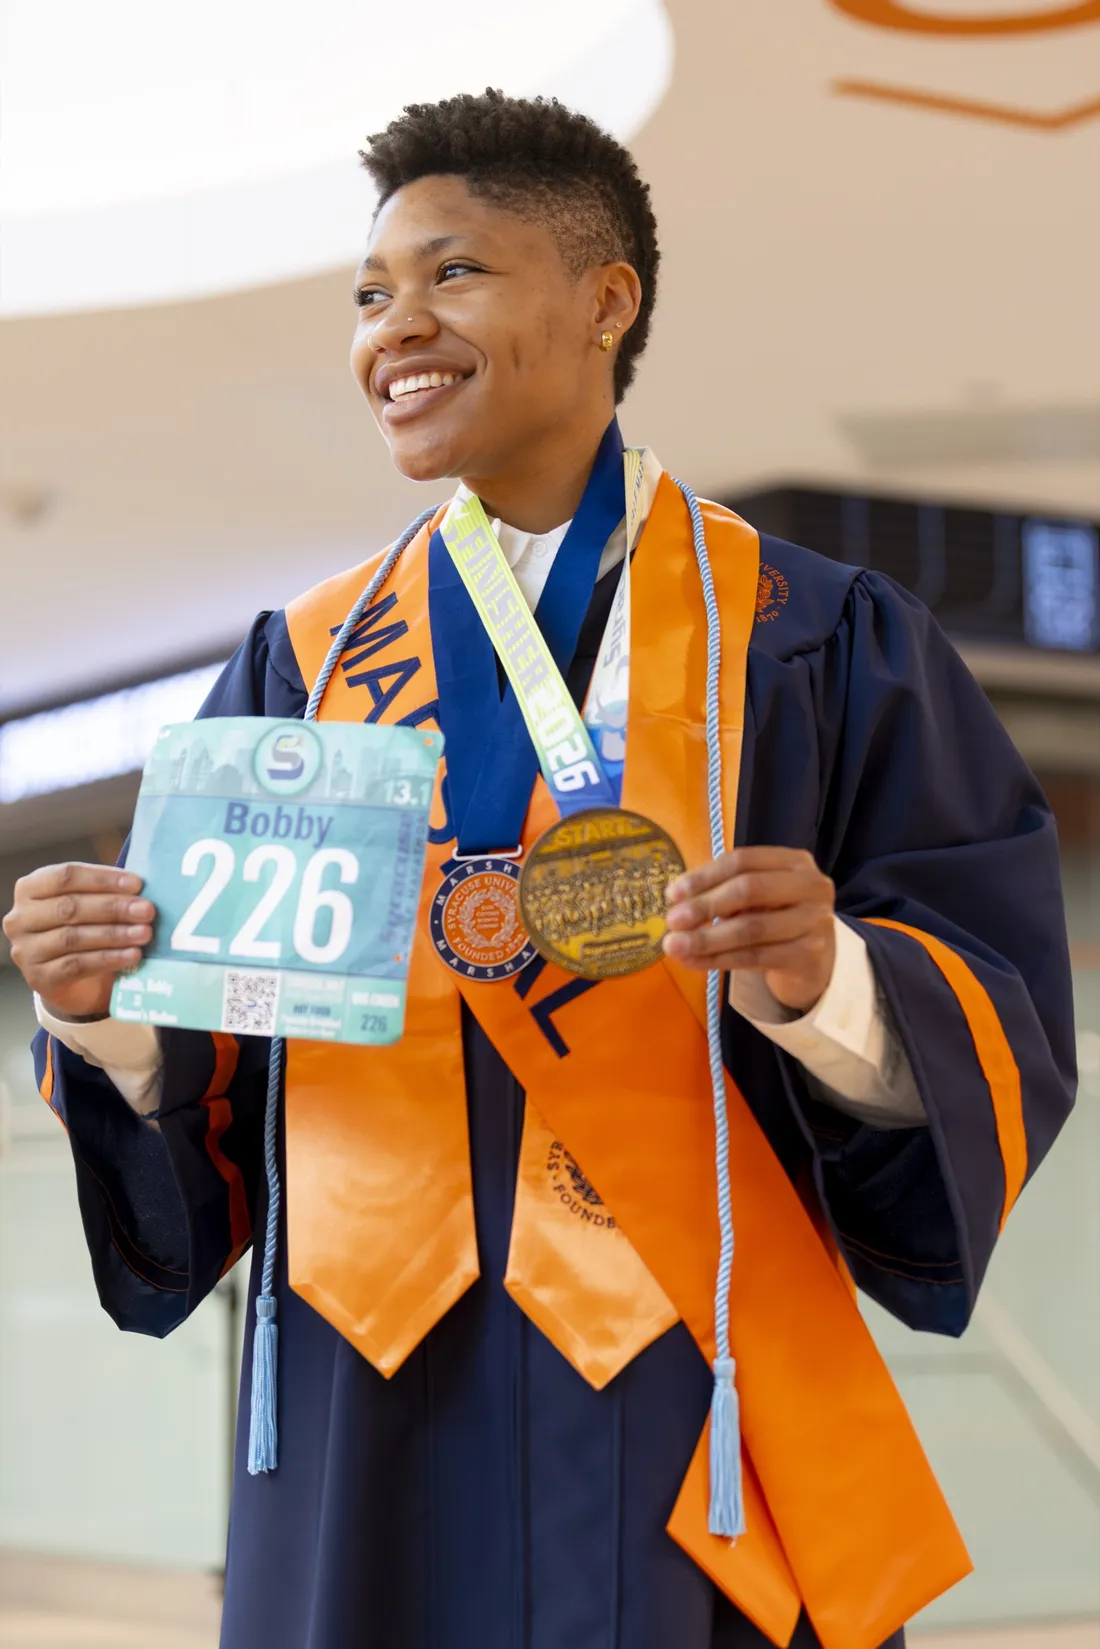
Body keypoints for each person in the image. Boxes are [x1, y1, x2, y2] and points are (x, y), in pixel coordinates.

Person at [2, 90, 1076, 1649]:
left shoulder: (810, 635)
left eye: (452, 275)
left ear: (604, 300)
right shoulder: (305, 667)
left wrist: (829, 977)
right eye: (370, 294)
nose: (394, 327)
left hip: (681, 1377)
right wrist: (111, 1015)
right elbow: (219, 1072)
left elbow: (992, 987)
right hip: (368, 1387)